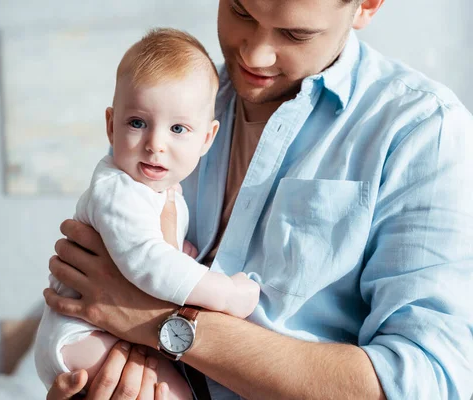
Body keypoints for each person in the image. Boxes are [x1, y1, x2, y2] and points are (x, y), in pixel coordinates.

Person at [44, 0, 473, 398]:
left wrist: (159, 320)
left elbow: (429, 379)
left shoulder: (421, 130)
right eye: (241, 12)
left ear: (366, 5)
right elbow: (97, 289)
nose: (255, 56)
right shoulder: (178, 105)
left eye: (295, 34)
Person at [34, 27, 260, 399]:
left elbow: (158, 251)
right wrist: (226, 294)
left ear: (206, 138)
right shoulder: (117, 191)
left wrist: (182, 253)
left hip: (107, 332)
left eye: (177, 129)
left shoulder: (161, 190)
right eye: (137, 123)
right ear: (111, 125)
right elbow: (148, 262)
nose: (155, 144)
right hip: (81, 336)